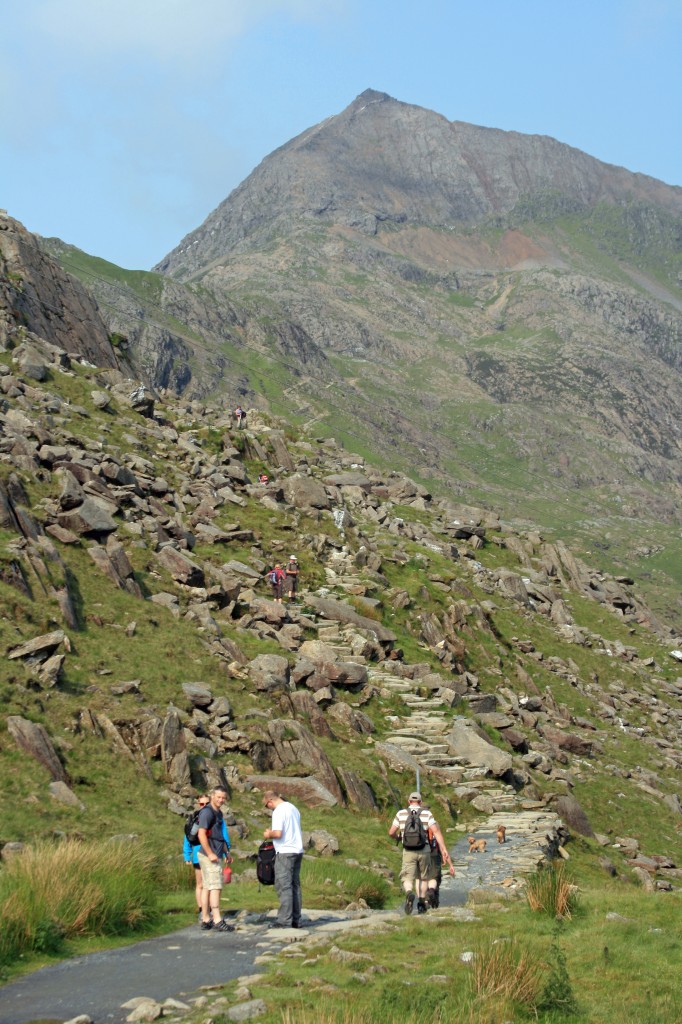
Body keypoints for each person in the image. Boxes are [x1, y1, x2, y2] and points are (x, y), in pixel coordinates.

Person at [388, 791, 450, 915]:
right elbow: (436, 832)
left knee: (407, 876)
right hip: (424, 850)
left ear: (409, 802)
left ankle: (409, 893)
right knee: (423, 877)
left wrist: (399, 838)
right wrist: (443, 849)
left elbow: (391, 832)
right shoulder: (426, 813)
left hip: (408, 850)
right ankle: (421, 903)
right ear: (420, 802)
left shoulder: (401, 813)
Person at [184, 794, 232, 921]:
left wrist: (227, 851)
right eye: (201, 804)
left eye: (206, 803)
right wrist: (186, 854)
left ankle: (207, 914)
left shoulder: (216, 814)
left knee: (208, 885)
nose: (204, 806)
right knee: (204, 884)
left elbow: (223, 835)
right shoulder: (202, 816)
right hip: (201, 855)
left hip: (210, 853)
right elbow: (189, 837)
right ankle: (205, 913)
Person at [262, 790, 304, 929]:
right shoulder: (293, 808)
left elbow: (278, 833)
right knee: (295, 885)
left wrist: (269, 834)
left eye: (268, 806)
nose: (269, 808)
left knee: (284, 886)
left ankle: (284, 921)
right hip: (297, 850)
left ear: (270, 801)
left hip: (285, 851)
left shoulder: (279, 811)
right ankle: (296, 919)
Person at [196, 786, 234, 932]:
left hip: (216, 852)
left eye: (223, 797)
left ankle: (206, 918)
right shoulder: (207, 813)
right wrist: (210, 853)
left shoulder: (219, 813)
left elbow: (219, 836)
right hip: (208, 855)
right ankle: (217, 919)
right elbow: (201, 834)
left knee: (207, 886)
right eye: (218, 797)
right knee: (216, 886)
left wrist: (226, 853)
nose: (221, 800)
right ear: (212, 796)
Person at [424, 809, 455, 908]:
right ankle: (432, 896)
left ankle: (425, 902)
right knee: (434, 878)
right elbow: (442, 847)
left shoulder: (415, 821)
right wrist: (450, 864)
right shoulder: (434, 824)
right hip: (434, 854)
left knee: (423, 878)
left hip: (419, 854)